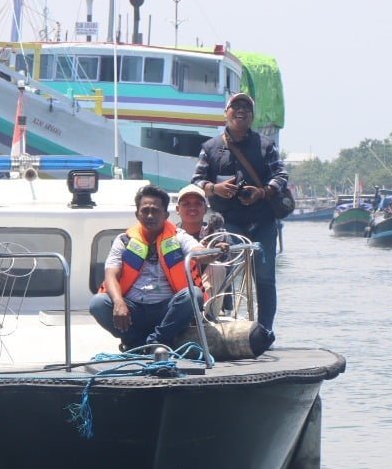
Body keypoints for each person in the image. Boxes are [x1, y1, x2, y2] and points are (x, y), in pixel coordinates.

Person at [191, 92, 287, 335]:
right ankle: (224, 325)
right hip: (229, 221)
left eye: (246, 107)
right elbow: (197, 179)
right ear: (226, 112)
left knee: (265, 279)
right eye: (235, 106)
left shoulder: (266, 146)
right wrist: (215, 188)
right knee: (226, 271)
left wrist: (262, 192)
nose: (240, 110)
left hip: (262, 221)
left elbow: (281, 176)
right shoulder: (210, 148)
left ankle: (264, 331)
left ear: (252, 116)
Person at [90, 184, 211, 351]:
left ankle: (156, 341)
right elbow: (110, 274)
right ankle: (136, 343)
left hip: (166, 309)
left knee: (193, 295)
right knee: (98, 303)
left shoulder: (179, 237)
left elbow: (199, 252)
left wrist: (214, 252)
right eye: (145, 210)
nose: (149, 215)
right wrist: (118, 303)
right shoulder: (123, 240)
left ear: (166, 215)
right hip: (133, 309)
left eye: (155, 211)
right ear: (137, 214)